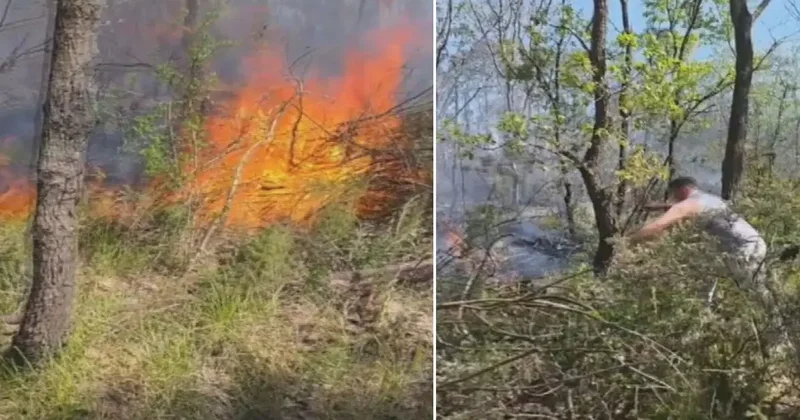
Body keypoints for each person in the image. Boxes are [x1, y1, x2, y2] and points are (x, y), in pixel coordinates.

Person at [629, 176, 767, 292]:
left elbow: (659, 225)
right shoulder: (710, 199)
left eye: (674, 194)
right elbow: (683, 207)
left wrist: (628, 240)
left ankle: (706, 315)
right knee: (709, 274)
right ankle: (706, 314)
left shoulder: (689, 204)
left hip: (742, 249)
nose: (674, 199)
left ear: (682, 190)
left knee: (750, 292)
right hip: (757, 243)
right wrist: (657, 206)